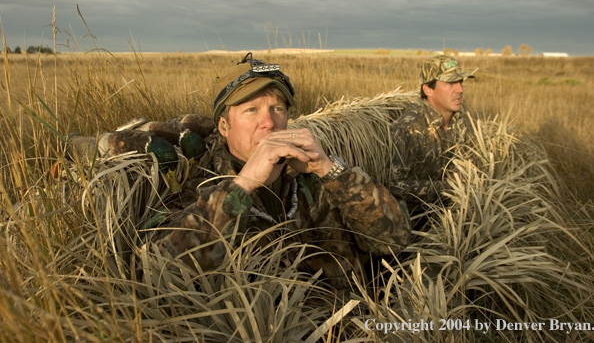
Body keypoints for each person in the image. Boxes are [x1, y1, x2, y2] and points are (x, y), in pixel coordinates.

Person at [148, 53, 410, 289]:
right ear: (225, 126)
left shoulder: (317, 180)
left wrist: (329, 170)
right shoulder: (198, 188)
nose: (269, 123)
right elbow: (162, 275)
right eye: (251, 110)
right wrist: (243, 187)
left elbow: (393, 239)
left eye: (278, 109)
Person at [389, 55, 475, 215]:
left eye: (460, 82)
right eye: (450, 83)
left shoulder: (462, 121)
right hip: (418, 221)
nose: (460, 89)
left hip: (457, 212)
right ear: (428, 89)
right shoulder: (408, 127)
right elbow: (394, 186)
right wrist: (446, 187)